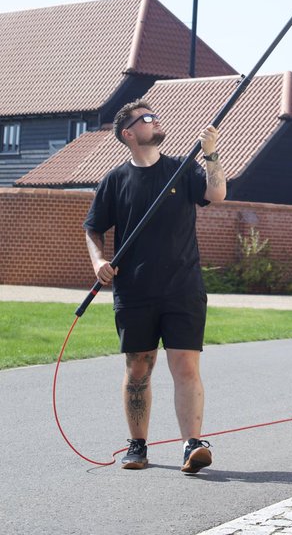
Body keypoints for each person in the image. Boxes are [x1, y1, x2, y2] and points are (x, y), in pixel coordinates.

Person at [84, 100, 226, 472]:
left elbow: (217, 194)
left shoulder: (183, 169)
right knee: (138, 369)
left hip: (183, 288)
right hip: (135, 291)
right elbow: (93, 228)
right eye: (146, 118)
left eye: (155, 116)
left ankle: (192, 445)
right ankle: (137, 446)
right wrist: (98, 261)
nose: (155, 121)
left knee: (186, 367)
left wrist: (211, 154)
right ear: (128, 133)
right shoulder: (115, 180)